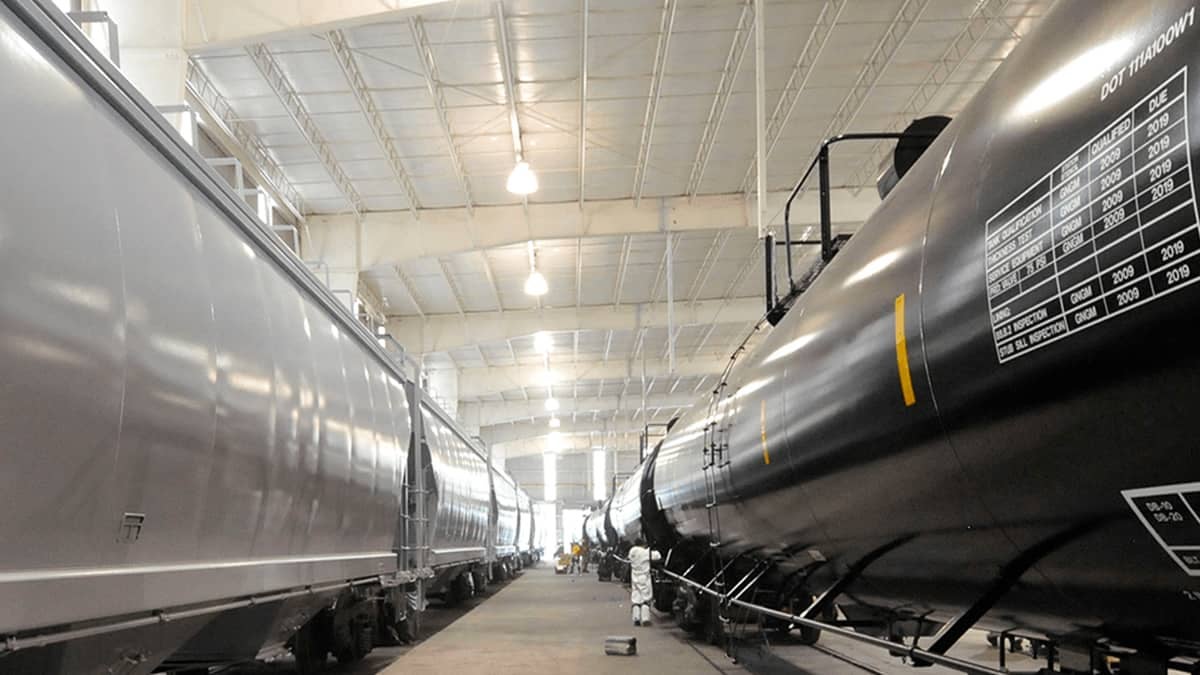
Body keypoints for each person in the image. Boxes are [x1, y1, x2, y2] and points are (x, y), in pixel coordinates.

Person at [627, 538, 661, 626]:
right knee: (646, 598)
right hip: (644, 577)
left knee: (636, 598)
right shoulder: (644, 552)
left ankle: (636, 618)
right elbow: (657, 556)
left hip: (634, 577)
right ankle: (645, 619)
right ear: (643, 544)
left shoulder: (631, 552)